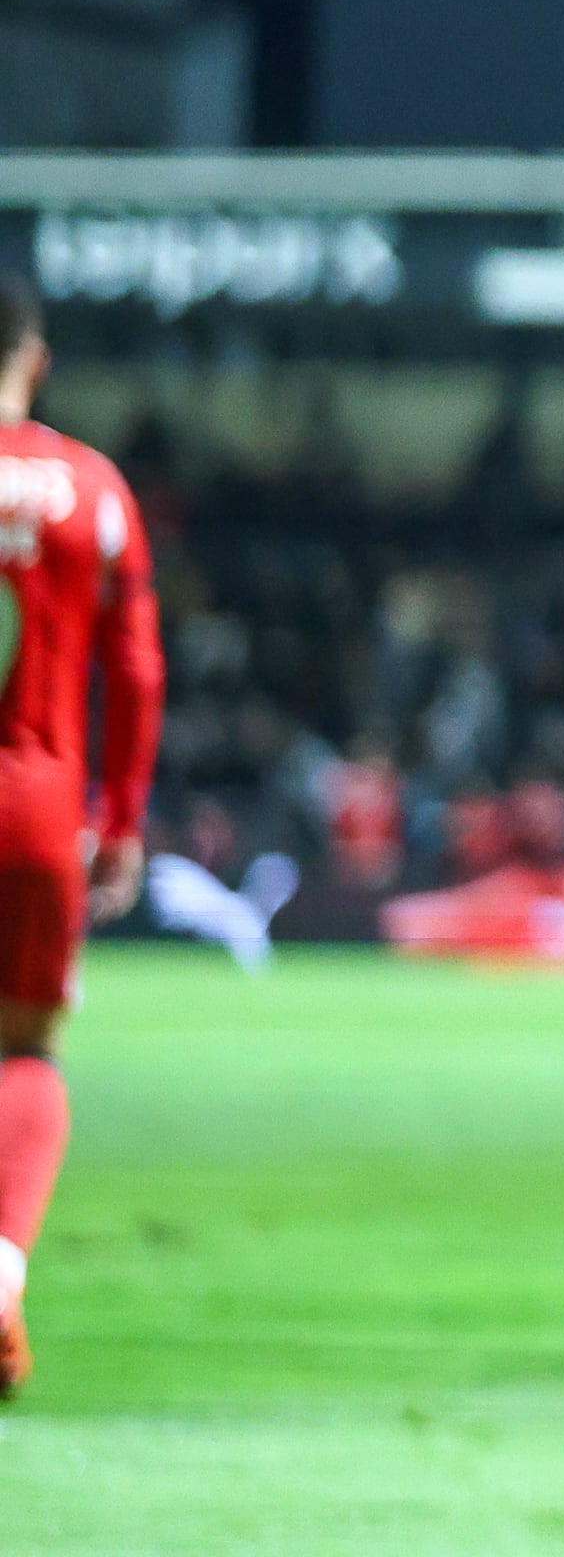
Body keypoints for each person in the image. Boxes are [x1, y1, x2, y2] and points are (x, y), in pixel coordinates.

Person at [0, 273, 161, 1405]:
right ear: (36, 356)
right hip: (37, 804)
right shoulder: (91, 488)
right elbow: (137, 669)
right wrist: (123, 819)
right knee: (27, 1049)